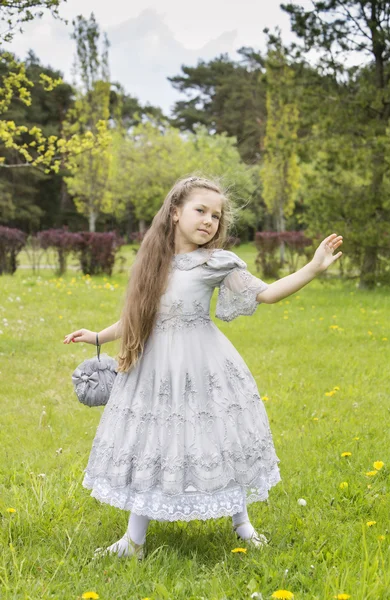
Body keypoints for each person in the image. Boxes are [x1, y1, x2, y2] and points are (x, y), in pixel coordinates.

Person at [64, 176, 343, 560]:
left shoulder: (216, 262)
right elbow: (137, 318)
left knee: (216, 435)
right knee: (152, 441)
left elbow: (268, 293)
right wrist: (98, 336)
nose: (210, 220)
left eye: (216, 215)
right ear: (175, 212)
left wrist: (312, 268)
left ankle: (241, 522)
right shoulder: (153, 264)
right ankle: (133, 541)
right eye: (201, 210)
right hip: (155, 369)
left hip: (202, 363)